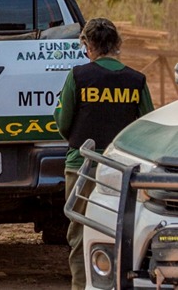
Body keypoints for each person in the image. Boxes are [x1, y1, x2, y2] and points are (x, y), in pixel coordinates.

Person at [53, 17, 154, 290]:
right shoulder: (136, 80)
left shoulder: (77, 76)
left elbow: (63, 122)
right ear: (117, 44)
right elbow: (145, 127)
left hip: (82, 168)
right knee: (125, 233)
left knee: (80, 234)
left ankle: (82, 285)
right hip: (123, 173)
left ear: (87, 45)